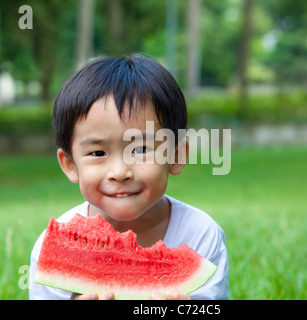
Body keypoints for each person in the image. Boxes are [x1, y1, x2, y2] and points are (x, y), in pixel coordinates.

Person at [29, 55, 229, 300]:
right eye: (98, 152)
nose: (120, 172)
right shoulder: (53, 248)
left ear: (176, 156)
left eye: (141, 149)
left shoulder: (200, 234)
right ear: (70, 165)